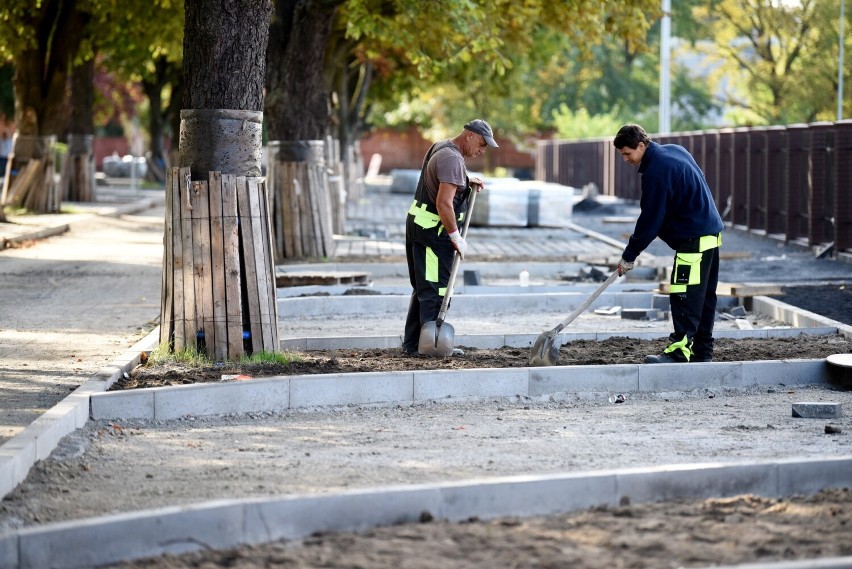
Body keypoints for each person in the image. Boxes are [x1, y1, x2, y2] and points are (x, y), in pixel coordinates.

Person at [613, 123, 724, 364]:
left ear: (641, 146)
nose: (626, 159)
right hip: (710, 235)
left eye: (627, 154)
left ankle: (678, 352)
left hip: (694, 240)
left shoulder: (656, 171)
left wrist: (629, 255)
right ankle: (702, 353)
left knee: (683, 294)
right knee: (703, 297)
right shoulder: (675, 150)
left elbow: (651, 219)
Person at [402, 119, 498, 356]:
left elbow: (441, 182)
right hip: (434, 234)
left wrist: (465, 181)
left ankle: (413, 344)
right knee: (435, 291)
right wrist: (455, 236)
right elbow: (444, 203)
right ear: (470, 136)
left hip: (420, 226)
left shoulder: (442, 147)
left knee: (424, 287)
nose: (482, 150)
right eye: (482, 144)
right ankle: (430, 347)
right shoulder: (453, 159)